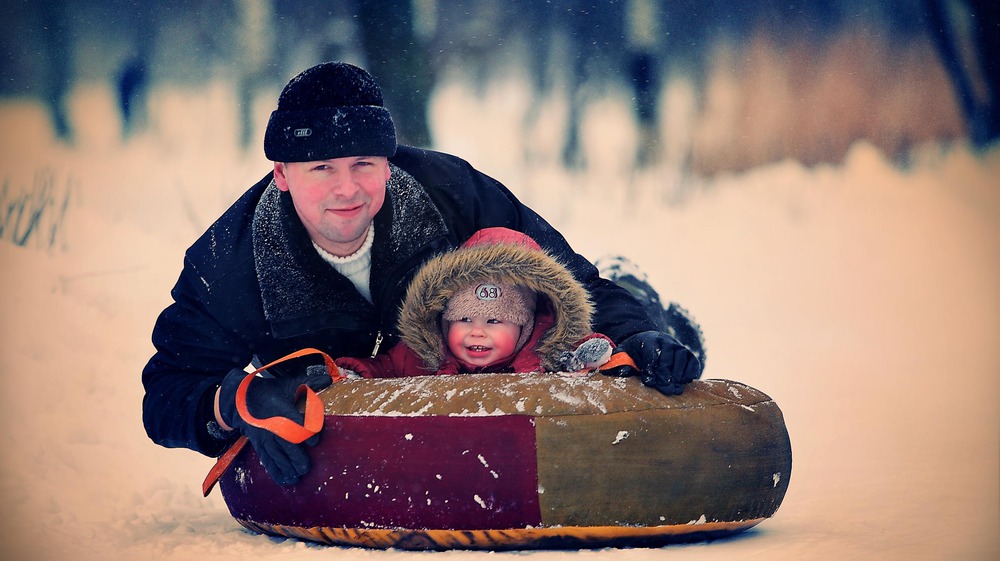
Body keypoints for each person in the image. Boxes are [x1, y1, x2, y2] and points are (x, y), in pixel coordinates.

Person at [141, 61, 702, 487]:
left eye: (364, 163)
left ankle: (650, 301)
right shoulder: (230, 260)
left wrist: (636, 336)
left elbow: (572, 284)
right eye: (322, 169)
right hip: (377, 399)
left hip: (489, 356)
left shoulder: (448, 191)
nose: (347, 189)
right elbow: (165, 394)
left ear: (387, 161)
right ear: (282, 174)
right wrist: (234, 401)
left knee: (639, 331)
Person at [334, 227, 615, 378]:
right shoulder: (420, 357)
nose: (477, 332)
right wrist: (353, 374)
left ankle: (623, 273)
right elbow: (383, 368)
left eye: (494, 321)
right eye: (465, 319)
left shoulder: (547, 353)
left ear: (525, 326)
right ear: (444, 320)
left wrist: (589, 355)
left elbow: (580, 353)